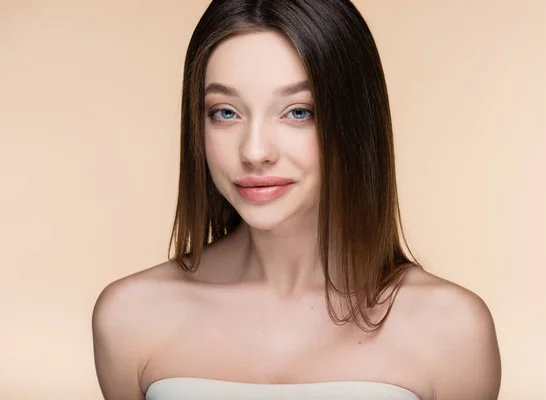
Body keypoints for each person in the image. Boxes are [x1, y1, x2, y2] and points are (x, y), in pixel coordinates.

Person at [92, 0, 502, 399]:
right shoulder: (131, 317)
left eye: (298, 112)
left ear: (355, 124)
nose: (254, 151)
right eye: (225, 112)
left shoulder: (452, 331)